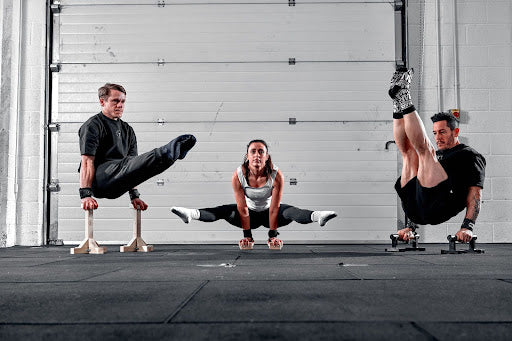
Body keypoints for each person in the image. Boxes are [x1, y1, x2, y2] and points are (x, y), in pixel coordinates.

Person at [171, 139, 337, 249]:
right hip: (247, 215)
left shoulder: (276, 175)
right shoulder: (238, 175)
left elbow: (274, 208)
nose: (257, 155)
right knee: (224, 210)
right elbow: (242, 209)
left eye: (261, 151)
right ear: (247, 156)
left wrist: (272, 235)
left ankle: (318, 216)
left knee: (290, 211)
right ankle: (190, 214)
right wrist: (248, 236)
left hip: (270, 215)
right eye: (253, 151)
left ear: (266, 156)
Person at [389, 69, 486, 243]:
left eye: (442, 132)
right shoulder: (438, 156)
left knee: (425, 152)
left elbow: (475, 194)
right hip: (416, 208)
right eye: (434, 133)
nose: (437, 137)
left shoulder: (470, 155)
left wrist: (467, 226)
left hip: (440, 206)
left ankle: (403, 97)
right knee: (408, 153)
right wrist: (410, 226)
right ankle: (398, 103)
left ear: (455, 131)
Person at [79, 83, 196, 211]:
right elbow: (87, 161)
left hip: (117, 182)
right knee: (128, 163)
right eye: (115, 101)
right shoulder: (93, 125)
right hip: (100, 180)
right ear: (102, 102)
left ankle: (171, 156)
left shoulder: (128, 130)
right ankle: (168, 152)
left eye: (123, 101)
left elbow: (134, 167)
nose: (120, 105)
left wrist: (134, 196)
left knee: (141, 166)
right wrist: (85, 194)